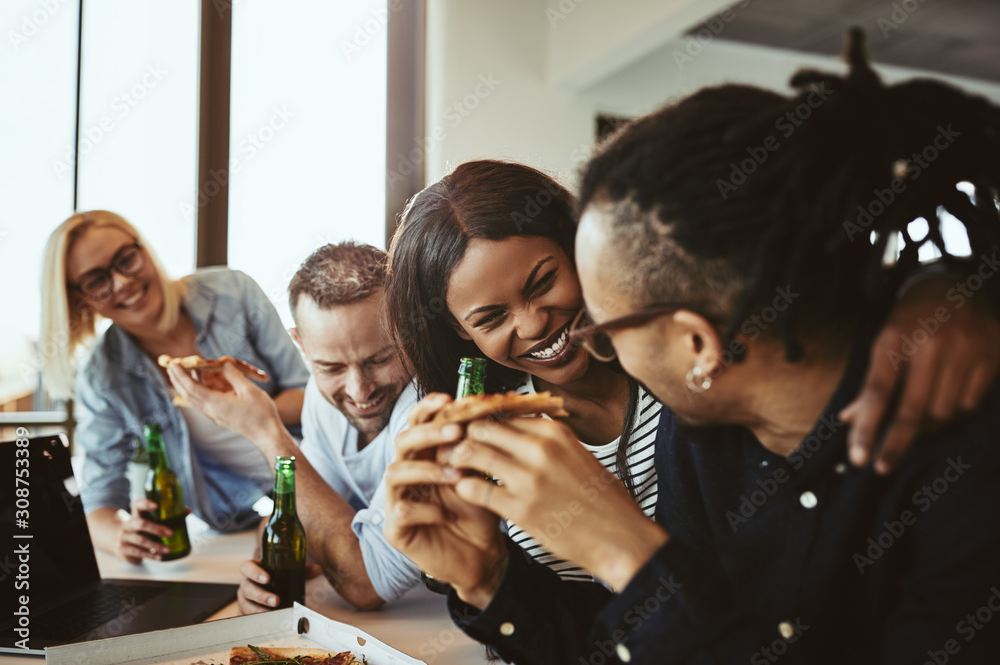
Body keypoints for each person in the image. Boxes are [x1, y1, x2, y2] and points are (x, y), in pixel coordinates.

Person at [382, 33, 1000, 664]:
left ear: (696, 341)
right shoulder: (703, 442)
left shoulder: (964, 472)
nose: (579, 335)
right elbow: (647, 642)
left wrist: (623, 547)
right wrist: (488, 579)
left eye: (607, 322)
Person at [384, 160, 662, 580]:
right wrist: (485, 580)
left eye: (542, 283)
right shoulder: (481, 439)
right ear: (459, 330)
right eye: (491, 318)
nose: (533, 325)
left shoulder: (678, 368)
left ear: (574, 246)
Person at [40, 210, 309, 564]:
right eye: (96, 281)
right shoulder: (103, 377)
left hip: (326, 465)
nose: (122, 282)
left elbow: (308, 395)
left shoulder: (233, 293)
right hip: (254, 519)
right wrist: (121, 535)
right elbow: (98, 499)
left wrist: (241, 408)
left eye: (126, 260)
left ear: (144, 249)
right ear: (81, 300)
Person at [168, 242, 420, 611]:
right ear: (300, 344)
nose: (359, 390)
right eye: (331, 368)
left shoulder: (431, 409)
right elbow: (301, 510)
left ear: (407, 328)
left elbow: (367, 583)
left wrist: (265, 431)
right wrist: (265, 573)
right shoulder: (321, 399)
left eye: (379, 359)